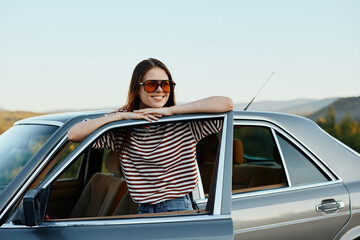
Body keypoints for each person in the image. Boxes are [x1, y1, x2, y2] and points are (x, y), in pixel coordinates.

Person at [68, 58, 233, 214]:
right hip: (143, 210)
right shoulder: (121, 129)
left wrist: (171, 110)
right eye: (151, 84)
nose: (160, 89)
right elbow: (74, 134)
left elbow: (226, 103)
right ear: (137, 89)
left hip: (178, 208)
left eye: (166, 85)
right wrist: (121, 117)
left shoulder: (183, 123)